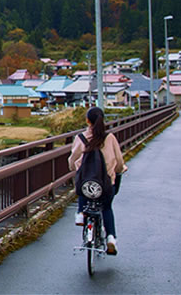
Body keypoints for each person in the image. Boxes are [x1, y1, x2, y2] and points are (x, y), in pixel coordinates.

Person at [68, 106, 127, 255]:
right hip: (106, 185)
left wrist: (73, 168)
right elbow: (119, 161)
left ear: (88, 121)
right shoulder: (110, 138)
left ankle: (81, 213)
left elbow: (72, 159)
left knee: (83, 187)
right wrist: (119, 170)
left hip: (88, 185)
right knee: (106, 207)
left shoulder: (80, 138)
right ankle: (111, 239)